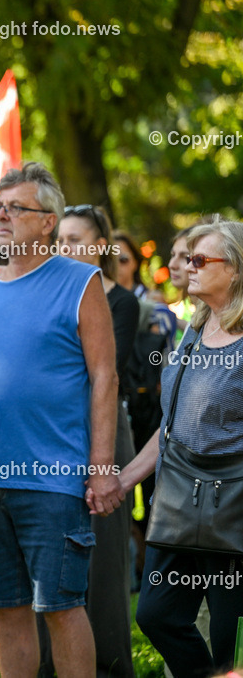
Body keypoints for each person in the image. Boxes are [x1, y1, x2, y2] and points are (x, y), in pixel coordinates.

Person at [0, 163, 123, 678]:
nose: (2, 217)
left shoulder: (81, 281)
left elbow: (104, 377)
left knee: (61, 607)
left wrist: (102, 467)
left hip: (53, 478)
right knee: (5, 608)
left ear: (47, 222)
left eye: (16, 208)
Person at [119, 220, 243, 678]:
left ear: (234, 270)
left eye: (199, 260)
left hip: (233, 509)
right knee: (156, 615)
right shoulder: (196, 327)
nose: (185, 268)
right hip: (177, 502)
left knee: (234, 641)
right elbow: (172, 423)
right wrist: (125, 478)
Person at [57, 205, 139, 677]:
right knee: (54, 552)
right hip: (56, 433)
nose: (65, 249)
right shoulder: (47, 292)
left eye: (75, 240)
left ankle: (109, 665)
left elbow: (100, 373)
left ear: (99, 246)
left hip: (105, 431)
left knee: (105, 556)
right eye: (60, 240)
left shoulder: (120, 301)